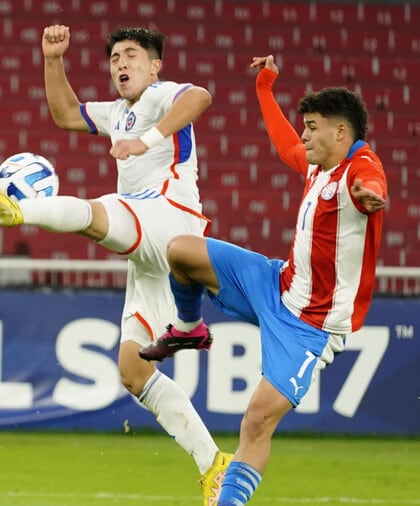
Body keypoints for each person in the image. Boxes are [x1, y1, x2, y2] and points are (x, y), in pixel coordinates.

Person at [0, 25, 231, 505]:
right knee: (132, 370)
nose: (121, 64)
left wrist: (146, 141)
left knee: (97, 214)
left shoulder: (159, 97)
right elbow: (66, 113)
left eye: (132, 56)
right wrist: (52, 59)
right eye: (114, 59)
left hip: (172, 219)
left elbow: (201, 97)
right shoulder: (118, 112)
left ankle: (18, 210)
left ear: (155, 66)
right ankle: (215, 466)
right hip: (150, 251)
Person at [139, 55, 387, 505]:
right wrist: (264, 88)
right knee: (181, 250)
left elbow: (370, 188)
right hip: (277, 284)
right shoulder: (317, 164)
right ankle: (190, 328)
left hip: (310, 326)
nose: (305, 135)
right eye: (305, 126)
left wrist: (371, 198)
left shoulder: (360, 167)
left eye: (313, 127)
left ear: (341, 133)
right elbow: (283, 143)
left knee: (255, 420)